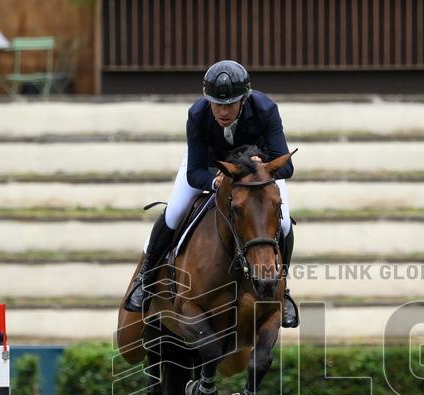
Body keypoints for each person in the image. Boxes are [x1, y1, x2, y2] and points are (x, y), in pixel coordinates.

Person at [122, 59, 299, 328]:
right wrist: (215, 182)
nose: (223, 111)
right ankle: (144, 279)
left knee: (284, 223)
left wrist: (260, 167)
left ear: (244, 99)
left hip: (258, 175)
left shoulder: (265, 109)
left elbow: (286, 166)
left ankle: (282, 292)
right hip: (209, 168)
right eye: (217, 104)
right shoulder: (197, 114)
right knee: (174, 213)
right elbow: (194, 173)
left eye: (230, 104)